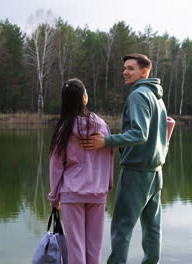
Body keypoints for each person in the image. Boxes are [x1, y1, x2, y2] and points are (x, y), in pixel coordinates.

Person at [80, 53, 168, 264]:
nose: (125, 72)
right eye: (125, 68)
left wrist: (106, 141)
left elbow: (140, 133)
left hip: (136, 171)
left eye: (130, 68)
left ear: (144, 72)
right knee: (152, 227)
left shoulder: (138, 95)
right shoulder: (158, 98)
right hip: (155, 171)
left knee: (121, 227)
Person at [48, 78, 114, 264]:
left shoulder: (63, 128)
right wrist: (107, 186)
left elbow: (56, 165)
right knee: (94, 248)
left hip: (71, 193)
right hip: (98, 193)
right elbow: (109, 157)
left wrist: (54, 197)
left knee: (76, 249)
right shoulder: (102, 125)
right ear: (84, 98)